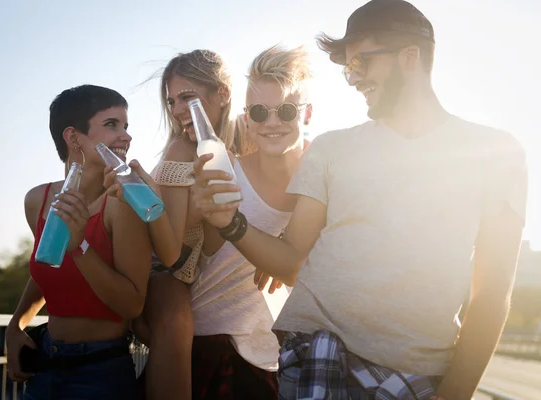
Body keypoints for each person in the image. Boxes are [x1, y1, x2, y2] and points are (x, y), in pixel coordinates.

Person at [191, 1, 529, 399]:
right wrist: (231, 223)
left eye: (360, 64)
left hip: (414, 371)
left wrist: (456, 393)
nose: (352, 79)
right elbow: (291, 260)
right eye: (349, 68)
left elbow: (491, 295)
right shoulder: (331, 149)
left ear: (409, 56)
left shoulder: (497, 154)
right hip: (314, 353)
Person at [105, 49, 251, 400]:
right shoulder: (179, 153)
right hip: (164, 268)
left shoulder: (245, 137)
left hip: (205, 273)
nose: (177, 110)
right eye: (171, 101)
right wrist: (194, 205)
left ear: (223, 95)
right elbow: (170, 254)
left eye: (187, 97)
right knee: (176, 321)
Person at [5, 84, 152, 399]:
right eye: (112, 125)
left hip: (101, 374)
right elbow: (46, 270)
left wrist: (80, 246)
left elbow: (131, 304)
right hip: (44, 368)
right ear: (73, 137)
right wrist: (15, 326)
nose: (126, 135)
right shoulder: (38, 200)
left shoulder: (123, 203)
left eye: (126, 126)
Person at [188, 44, 312, 399]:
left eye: (286, 110)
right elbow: (208, 253)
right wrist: (205, 212)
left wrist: (283, 243)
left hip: (276, 354)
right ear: (246, 118)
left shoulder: (323, 173)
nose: (272, 122)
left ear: (307, 114)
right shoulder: (227, 171)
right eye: (259, 111)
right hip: (212, 343)